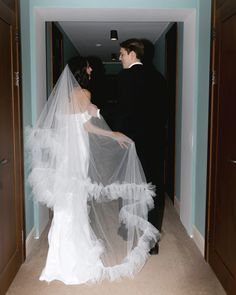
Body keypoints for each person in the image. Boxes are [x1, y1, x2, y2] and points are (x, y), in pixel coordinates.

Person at [26, 56, 159, 285]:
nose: (90, 68)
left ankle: (57, 262)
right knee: (75, 201)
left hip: (64, 155)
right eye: (87, 65)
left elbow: (73, 123)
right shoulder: (85, 93)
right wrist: (112, 134)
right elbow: (87, 126)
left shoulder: (63, 95)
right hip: (78, 152)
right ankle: (74, 261)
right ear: (81, 70)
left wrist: (97, 116)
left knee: (64, 203)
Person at [112, 38, 168, 255]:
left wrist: (117, 135)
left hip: (132, 144)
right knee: (153, 189)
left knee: (131, 187)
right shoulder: (159, 79)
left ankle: (129, 232)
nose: (119, 58)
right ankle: (152, 242)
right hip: (154, 143)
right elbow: (162, 114)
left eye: (122, 53)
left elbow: (123, 112)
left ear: (133, 54)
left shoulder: (125, 77)